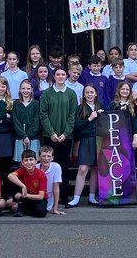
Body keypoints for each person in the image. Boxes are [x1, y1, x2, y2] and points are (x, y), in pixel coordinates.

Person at [40, 67, 78, 200]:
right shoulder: (46, 93)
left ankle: (63, 195)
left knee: (63, 166)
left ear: (66, 76)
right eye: (58, 74)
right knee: (48, 165)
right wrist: (51, 132)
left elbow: (72, 115)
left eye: (63, 74)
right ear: (54, 76)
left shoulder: (71, 94)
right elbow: (43, 114)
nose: (60, 76)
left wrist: (66, 133)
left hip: (65, 137)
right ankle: (47, 194)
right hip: (49, 135)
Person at [65, 84, 102, 208]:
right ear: (84, 94)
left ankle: (92, 197)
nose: (90, 94)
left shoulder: (101, 107)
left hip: (99, 140)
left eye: (92, 92)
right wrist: (90, 119)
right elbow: (76, 127)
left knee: (96, 169)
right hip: (86, 140)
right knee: (83, 169)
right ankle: (76, 198)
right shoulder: (80, 108)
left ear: (96, 94)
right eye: (87, 92)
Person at [7, 149, 48, 217]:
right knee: (14, 179)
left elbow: (40, 196)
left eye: (31, 160)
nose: (29, 162)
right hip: (26, 198)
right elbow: (10, 176)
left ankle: (23, 209)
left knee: (41, 212)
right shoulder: (22, 169)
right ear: (22, 163)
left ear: (36, 161)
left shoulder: (41, 175)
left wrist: (25, 195)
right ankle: (20, 206)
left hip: (36, 198)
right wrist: (23, 186)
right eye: (26, 160)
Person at [12, 80, 40, 163]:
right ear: (20, 90)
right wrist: (24, 136)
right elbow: (16, 121)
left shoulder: (36, 103)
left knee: (32, 161)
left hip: (33, 137)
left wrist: (28, 136)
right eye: (23, 88)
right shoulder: (16, 104)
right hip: (20, 137)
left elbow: (36, 121)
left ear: (31, 90)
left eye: (28, 88)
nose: (25, 90)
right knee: (21, 161)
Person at [38, 146, 65, 215]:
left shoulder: (56, 167)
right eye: (43, 156)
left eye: (49, 156)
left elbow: (56, 189)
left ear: (52, 158)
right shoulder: (35, 167)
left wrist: (55, 209)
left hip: (47, 200)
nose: (46, 158)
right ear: (39, 157)